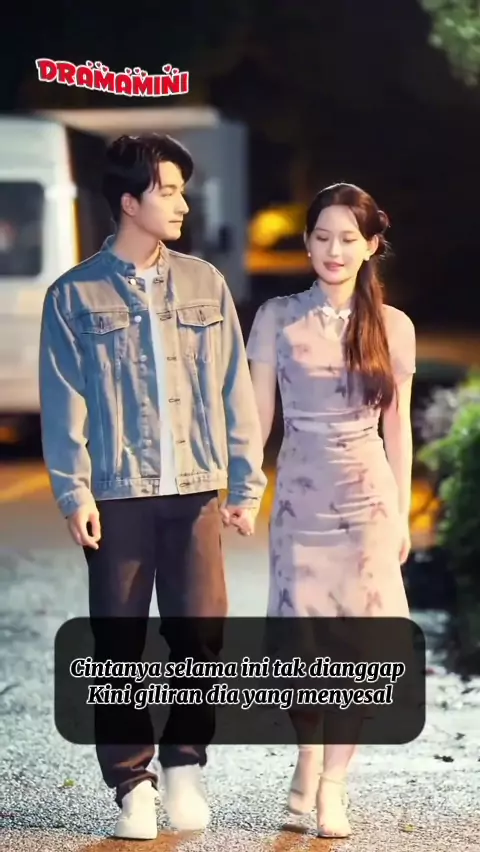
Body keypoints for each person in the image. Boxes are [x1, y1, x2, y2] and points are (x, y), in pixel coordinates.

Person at [39, 133, 267, 840]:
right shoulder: (72, 295)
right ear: (129, 201)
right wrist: (75, 493)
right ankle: (131, 782)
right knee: (119, 644)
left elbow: (234, 389)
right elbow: (63, 403)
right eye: (168, 190)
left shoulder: (204, 283)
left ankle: (185, 764)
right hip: (117, 495)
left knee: (202, 634)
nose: (182, 203)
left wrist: (245, 481)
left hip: (196, 490)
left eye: (181, 190)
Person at [246, 183, 416, 838]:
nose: (334, 250)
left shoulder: (393, 327)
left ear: (371, 245)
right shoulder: (277, 317)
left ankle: (335, 785)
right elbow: (259, 419)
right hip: (300, 499)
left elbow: (397, 428)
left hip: (367, 500)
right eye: (322, 237)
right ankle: (308, 754)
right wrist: (244, 487)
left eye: (348, 238)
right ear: (307, 242)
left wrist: (400, 513)